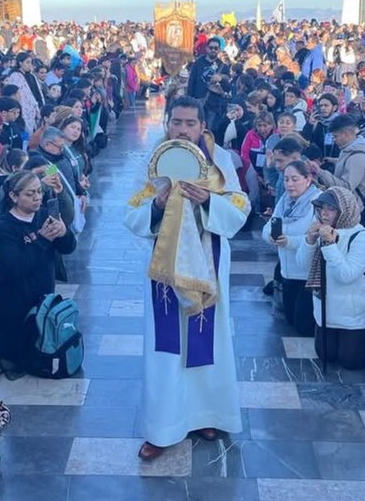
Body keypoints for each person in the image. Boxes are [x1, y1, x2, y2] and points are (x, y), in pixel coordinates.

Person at [124, 97, 249, 459]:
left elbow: (240, 206)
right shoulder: (154, 160)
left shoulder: (219, 160)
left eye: (190, 123)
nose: (182, 129)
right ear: (167, 122)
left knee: (207, 338)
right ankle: (162, 427)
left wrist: (209, 200)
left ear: (202, 126)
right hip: (164, 265)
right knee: (166, 347)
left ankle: (205, 414)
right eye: (176, 122)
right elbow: (131, 210)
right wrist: (157, 206)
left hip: (208, 260)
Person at [0, 169, 74, 374]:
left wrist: (64, 233)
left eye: (39, 192)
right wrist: (41, 239)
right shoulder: (5, 227)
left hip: (43, 292)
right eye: (30, 193)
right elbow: (15, 266)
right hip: (16, 299)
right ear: (13, 196)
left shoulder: (44, 215)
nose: (37, 198)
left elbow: (67, 248)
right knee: (20, 348)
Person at [298, 183, 365, 369]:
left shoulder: (361, 237)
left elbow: (346, 275)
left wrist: (329, 245)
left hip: (352, 313)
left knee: (351, 362)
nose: (324, 213)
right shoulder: (321, 230)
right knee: (325, 354)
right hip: (326, 310)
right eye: (321, 208)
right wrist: (309, 240)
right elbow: (302, 266)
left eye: (331, 209)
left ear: (344, 210)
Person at [262, 159, 321, 335]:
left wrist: (289, 241)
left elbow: (316, 237)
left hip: (307, 275)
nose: (289, 184)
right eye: (286, 179)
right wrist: (271, 236)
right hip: (287, 272)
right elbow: (269, 227)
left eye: (295, 179)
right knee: (289, 320)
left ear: (307, 179)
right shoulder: (284, 201)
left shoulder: (317, 202)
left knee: (303, 326)